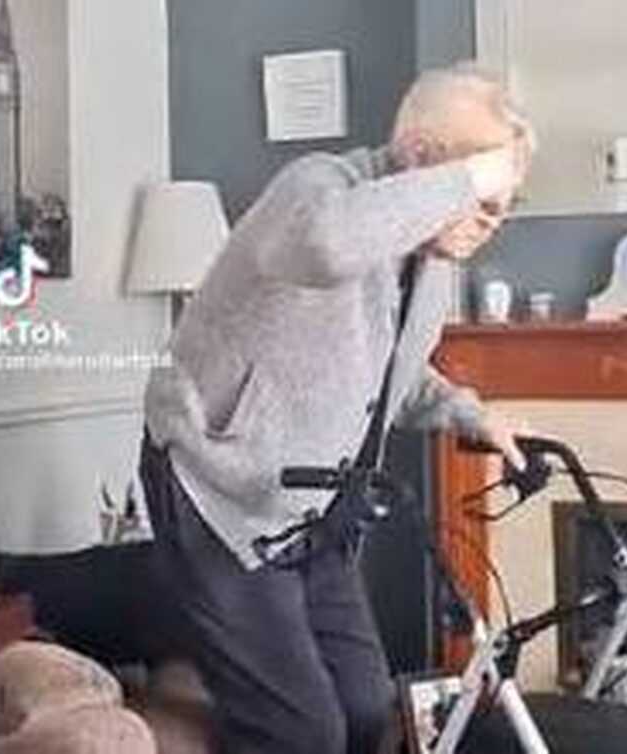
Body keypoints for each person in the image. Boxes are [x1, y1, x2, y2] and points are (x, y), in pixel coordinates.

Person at [139, 64, 538, 754]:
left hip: (314, 511)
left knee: (364, 708)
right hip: (219, 488)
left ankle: (174, 624)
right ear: (417, 157)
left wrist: (473, 416)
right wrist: (472, 176)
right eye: (480, 197)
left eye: (503, 205)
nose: (490, 221)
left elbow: (393, 375)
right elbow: (325, 247)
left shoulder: (428, 260)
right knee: (301, 732)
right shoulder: (318, 186)